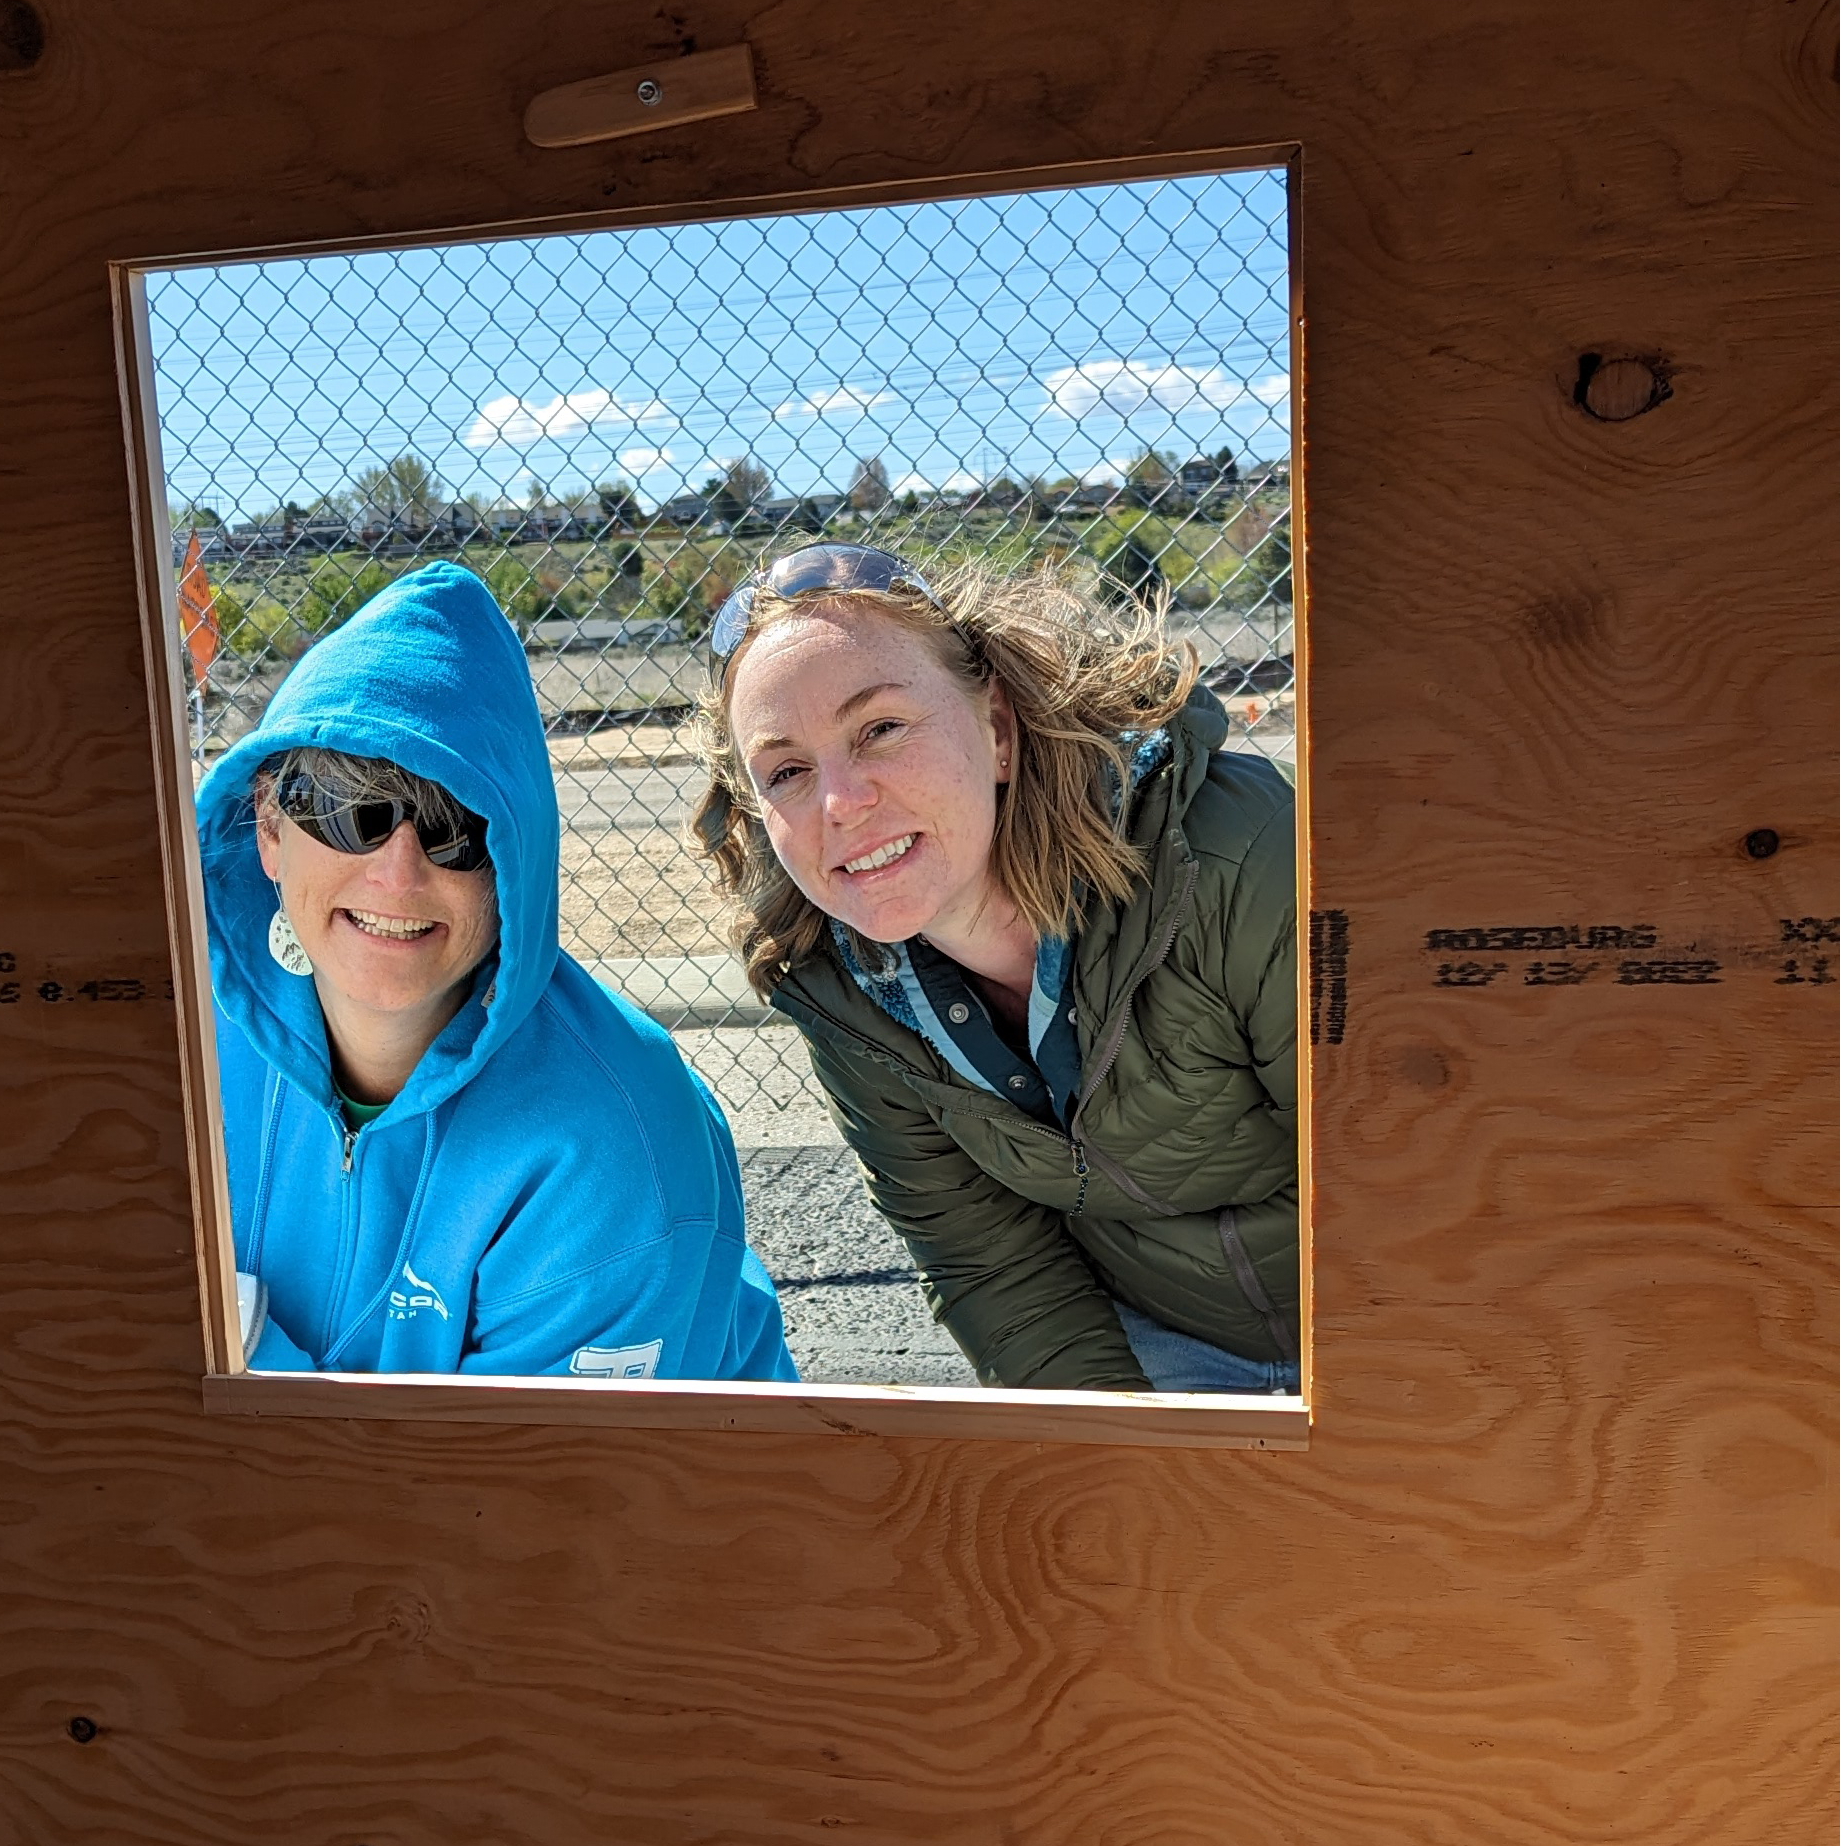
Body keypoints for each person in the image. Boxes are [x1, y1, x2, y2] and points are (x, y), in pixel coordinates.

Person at [693, 544, 1296, 1393]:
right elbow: (992, 1266)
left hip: (1397, 1323)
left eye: (881, 730)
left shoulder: (1236, 859)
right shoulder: (843, 986)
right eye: (787, 771)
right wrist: (1123, 1469)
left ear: (1000, 730)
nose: (840, 804)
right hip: (1159, 1345)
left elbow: (1401, 1184)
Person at [197, 560, 792, 1382]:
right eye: (346, 807)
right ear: (267, 826)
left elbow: (543, 1495)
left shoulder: (608, 1146)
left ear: (516, 864)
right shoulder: (178, 1045)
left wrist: (240, 1336)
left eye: (455, 826)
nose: (398, 875)